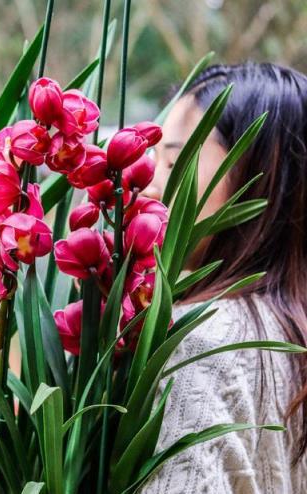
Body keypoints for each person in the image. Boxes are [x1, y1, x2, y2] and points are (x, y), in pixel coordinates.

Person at [141, 63, 307, 493]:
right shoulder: (291, 333)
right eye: (151, 160)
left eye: (174, 161)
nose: (147, 185)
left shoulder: (200, 341)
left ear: (259, 177)